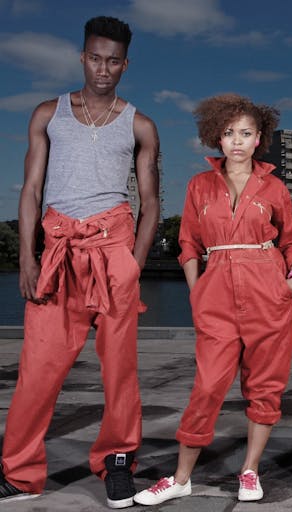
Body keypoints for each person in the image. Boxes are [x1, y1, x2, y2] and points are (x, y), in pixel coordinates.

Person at [0, 16, 159, 508]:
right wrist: (28, 257)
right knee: (39, 369)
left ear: (125, 63)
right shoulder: (49, 113)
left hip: (113, 251)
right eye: (95, 57)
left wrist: (132, 264)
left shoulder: (140, 124)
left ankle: (117, 463)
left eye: (114, 60)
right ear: (82, 57)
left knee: (119, 372)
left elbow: (151, 203)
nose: (103, 68)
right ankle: (20, 474)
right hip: (59, 251)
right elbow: (30, 190)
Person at [133, 94, 292, 505]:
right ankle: (180, 478)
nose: (237, 142)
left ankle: (250, 471)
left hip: (269, 294)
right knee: (207, 388)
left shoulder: (274, 187)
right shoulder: (199, 185)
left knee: (264, 389)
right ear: (217, 137)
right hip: (217, 299)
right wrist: (198, 293)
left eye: (245, 133)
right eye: (229, 133)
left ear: (259, 137)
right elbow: (189, 244)